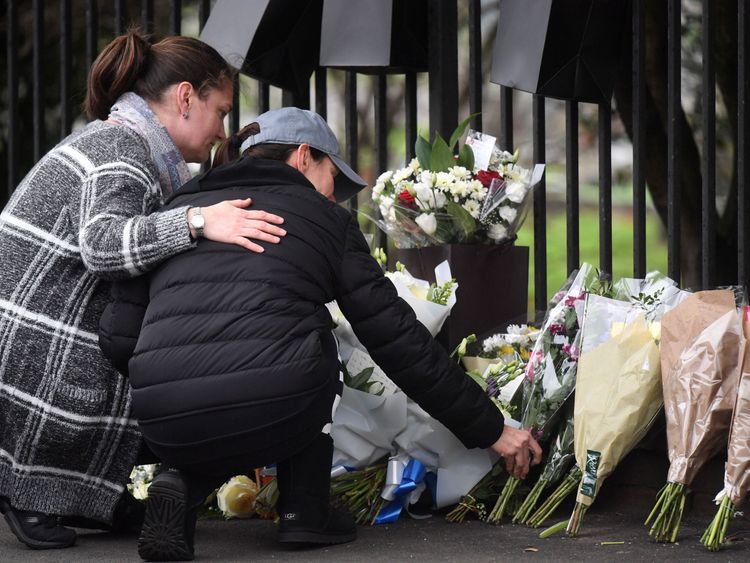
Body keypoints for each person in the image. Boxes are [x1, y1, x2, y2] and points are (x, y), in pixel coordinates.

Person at [101, 107, 543, 561]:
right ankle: (303, 514)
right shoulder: (325, 221)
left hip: (162, 417)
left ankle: (181, 479)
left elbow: (118, 339)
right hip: (276, 400)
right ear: (304, 156)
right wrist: (492, 428)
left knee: (239, 373)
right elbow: (397, 340)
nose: (335, 195)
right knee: (308, 346)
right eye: (333, 175)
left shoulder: (178, 212)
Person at [0, 30, 287, 551]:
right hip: (37, 351)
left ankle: (89, 497)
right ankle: (30, 493)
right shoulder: (121, 149)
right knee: (172, 388)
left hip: (42, 336)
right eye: (219, 110)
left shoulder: (123, 141)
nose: (222, 129)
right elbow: (103, 245)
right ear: (184, 98)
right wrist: (199, 219)